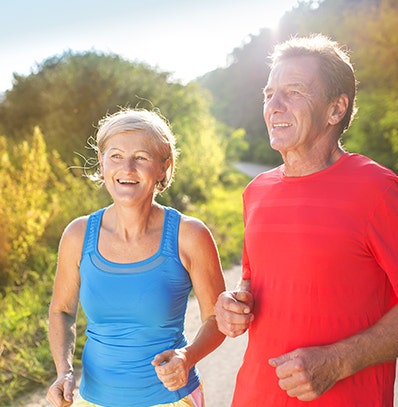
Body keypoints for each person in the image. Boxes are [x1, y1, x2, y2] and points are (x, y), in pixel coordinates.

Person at [215, 34, 398, 406]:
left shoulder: (379, 190)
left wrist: (339, 361)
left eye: (294, 91)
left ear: (335, 110)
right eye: (268, 94)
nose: (274, 106)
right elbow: (253, 278)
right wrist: (233, 304)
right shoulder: (256, 191)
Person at [46, 108, 226, 407]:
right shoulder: (78, 234)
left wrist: (187, 356)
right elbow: (61, 311)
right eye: (115, 156)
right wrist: (63, 372)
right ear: (102, 162)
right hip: (93, 400)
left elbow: (216, 317)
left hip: (170, 399)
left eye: (141, 157)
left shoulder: (189, 235)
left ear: (163, 167)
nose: (127, 167)